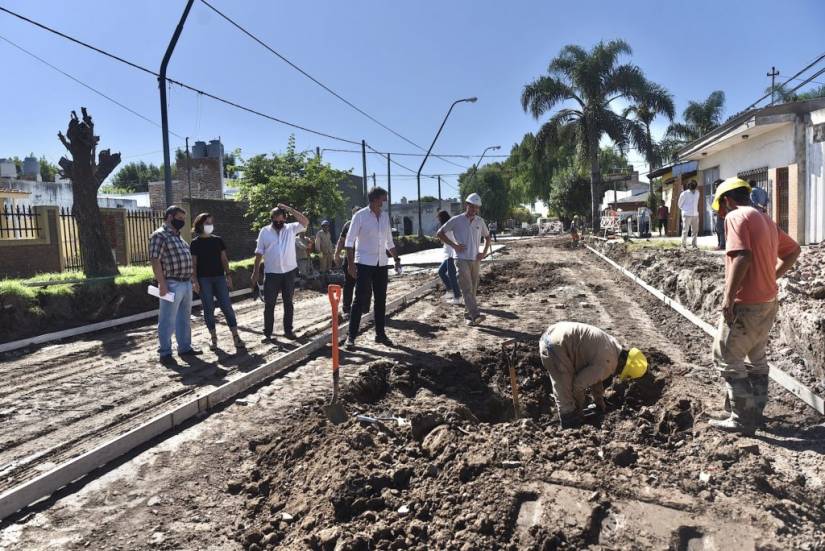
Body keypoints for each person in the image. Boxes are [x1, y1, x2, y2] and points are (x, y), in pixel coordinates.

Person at [709, 178, 800, 435]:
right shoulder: (764, 218)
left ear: (727, 201)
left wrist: (728, 297)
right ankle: (756, 411)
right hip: (768, 301)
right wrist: (772, 277)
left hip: (746, 303)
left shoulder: (736, 217)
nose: (722, 213)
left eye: (722, 208)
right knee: (756, 356)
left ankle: (742, 419)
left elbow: (742, 256)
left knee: (726, 355)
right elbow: (793, 250)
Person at [539, 321, 648, 429]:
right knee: (564, 386)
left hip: (554, 333)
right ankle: (568, 420)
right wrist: (578, 409)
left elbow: (595, 375)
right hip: (556, 346)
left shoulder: (613, 347)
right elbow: (578, 385)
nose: (618, 374)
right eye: (623, 373)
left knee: (567, 383)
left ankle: (570, 414)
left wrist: (598, 400)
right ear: (624, 365)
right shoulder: (608, 363)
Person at [344, 188, 401, 348]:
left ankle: (380, 334)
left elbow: (389, 242)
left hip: (381, 264)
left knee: (380, 300)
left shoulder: (384, 217)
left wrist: (396, 258)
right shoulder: (360, 216)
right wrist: (350, 264)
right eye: (384, 199)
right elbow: (349, 242)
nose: (385, 202)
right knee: (359, 300)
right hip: (364, 264)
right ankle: (351, 336)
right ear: (375, 199)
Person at [149, 205, 201, 365]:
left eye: (184, 219)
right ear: (170, 217)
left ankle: (185, 347)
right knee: (167, 319)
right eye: (180, 218)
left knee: (184, 318)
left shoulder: (178, 237)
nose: (183, 221)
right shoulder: (160, 235)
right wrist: (162, 284)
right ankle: (165, 352)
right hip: (171, 283)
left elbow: (186, 260)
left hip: (185, 283)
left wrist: (192, 280)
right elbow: (155, 260)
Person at [251, 204, 309, 343]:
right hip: (272, 274)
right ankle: (268, 333)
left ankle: (288, 331)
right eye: (275, 219)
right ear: (271, 218)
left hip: (289, 272)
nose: (278, 222)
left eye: (280, 219)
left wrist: (289, 209)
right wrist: (255, 272)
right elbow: (259, 252)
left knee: (288, 302)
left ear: (285, 218)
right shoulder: (264, 232)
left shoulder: (291, 228)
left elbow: (305, 222)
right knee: (269, 304)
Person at [190, 212, 244, 351]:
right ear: (200, 225)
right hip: (203, 280)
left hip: (219, 278)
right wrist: (194, 280)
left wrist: (228, 275)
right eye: (207, 223)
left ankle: (236, 336)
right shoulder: (195, 243)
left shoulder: (218, 240)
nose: (210, 225)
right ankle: (213, 338)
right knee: (208, 309)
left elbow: (224, 259)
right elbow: (194, 264)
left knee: (227, 307)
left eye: (211, 222)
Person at [437, 193, 491, 326]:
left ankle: (469, 316)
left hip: (475, 259)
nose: (475, 210)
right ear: (467, 205)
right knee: (466, 288)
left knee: (472, 289)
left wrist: (483, 253)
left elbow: (488, 237)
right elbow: (440, 233)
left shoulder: (480, 221)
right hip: (460, 259)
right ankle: (476, 314)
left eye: (477, 208)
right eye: (472, 207)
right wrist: (454, 245)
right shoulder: (456, 220)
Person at [334, 206, 362, 315]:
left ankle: (363, 307)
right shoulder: (348, 225)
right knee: (349, 283)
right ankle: (346, 307)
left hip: (363, 258)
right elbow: (341, 241)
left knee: (364, 284)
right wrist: (336, 253)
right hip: (350, 257)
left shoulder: (367, 224)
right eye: (354, 214)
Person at [436, 210, 461, 305]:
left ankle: (457, 296)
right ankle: (450, 291)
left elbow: (444, 237)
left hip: (451, 253)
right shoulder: (446, 226)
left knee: (452, 275)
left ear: (442, 217)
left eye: (438, 218)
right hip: (447, 254)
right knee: (441, 271)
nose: (438, 220)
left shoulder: (448, 226)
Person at [678, 180, 700, 248]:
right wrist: (685, 210)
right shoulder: (684, 194)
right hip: (687, 214)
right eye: (691, 184)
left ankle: (694, 245)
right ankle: (683, 245)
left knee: (695, 231)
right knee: (685, 230)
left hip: (695, 214)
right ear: (689, 185)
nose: (692, 186)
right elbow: (679, 205)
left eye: (693, 185)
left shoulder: (697, 193)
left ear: (695, 186)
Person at [711, 179, 726, 250]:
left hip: (721, 213)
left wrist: (722, 213)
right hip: (718, 213)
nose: (715, 186)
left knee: (721, 230)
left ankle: (722, 245)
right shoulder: (719, 192)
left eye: (716, 185)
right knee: (718, 230)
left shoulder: (723, 193)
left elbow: (723, 204)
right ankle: (720, 244)